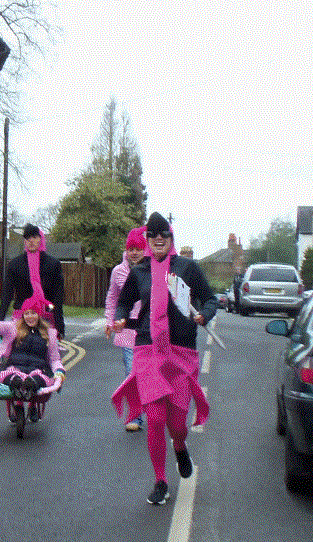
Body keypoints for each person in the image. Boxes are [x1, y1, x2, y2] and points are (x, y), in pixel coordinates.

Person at [110, 212, 217, 506]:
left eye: (164, 235)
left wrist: (204, 314)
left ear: (171, 239)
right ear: (148, 240)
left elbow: (210, 299)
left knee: (178, 422)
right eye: (153, 236)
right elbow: (124, 301)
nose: (158, 239)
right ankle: (160, 481)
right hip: (148, 350)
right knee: (156, 418)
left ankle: (180, 446)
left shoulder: (187, 268)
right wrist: (121, 318)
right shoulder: (140, 272)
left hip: (181, 351)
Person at [0, 289, 65, 423]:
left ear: (39, 315)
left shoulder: (49, 334)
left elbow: (54, 359)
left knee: (42, 378)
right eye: (26, 313)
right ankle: (17, 385)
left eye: (33, 313)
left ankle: (30, 387)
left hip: (38, 369)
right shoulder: (12, 328)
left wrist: (59, 371)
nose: (30, 317)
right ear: (22, 315)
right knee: (6, 375)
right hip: (15, 367)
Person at [104, 226, 148, 432]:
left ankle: (153, 409)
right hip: (128, 330)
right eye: (131, 249)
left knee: (149, 373)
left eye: (138, 249)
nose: (135, 252)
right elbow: (112, 298)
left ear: (145, 249)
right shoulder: (118, 271)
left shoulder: (152, 269)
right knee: (131, 372)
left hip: (149, 329)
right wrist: (109, 321)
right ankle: (135, 416)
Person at [0, 224, 66, 340]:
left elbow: (58, 297)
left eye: (34, 237)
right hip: (22, 317)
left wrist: (60, 326)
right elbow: (7, 294)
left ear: (41, 239)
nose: (31, 240)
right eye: (27, 238)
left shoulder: (53, 264)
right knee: (20, 347)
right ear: (24, 241)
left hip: (46, 317)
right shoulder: (14, 265)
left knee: (46, 349)